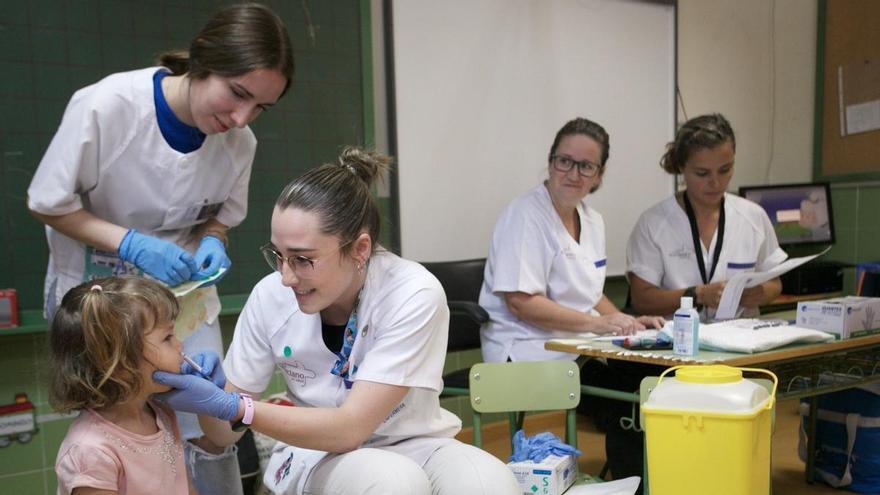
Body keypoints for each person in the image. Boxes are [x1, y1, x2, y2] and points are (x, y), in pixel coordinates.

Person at [26, 4, 294, 493]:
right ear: (201, 61)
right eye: (237, 94)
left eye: (259, 107)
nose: (241, 118)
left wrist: (213, 238)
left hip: (183, 304)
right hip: (101, 300)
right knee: (120, 423)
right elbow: (46, 201)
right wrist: (128, 242)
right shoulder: (106, 106)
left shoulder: (240, 143)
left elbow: (220, 216)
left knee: (204, 429)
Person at [151, 147, 520, 495]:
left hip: (415, 441)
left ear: (359, 249)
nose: (286, 277)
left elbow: (352, 426)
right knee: (392, 482)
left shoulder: (412, 292)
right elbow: (222, 437)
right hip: (315, 450)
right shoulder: (270, 296)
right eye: (277, 255)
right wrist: (214, 399)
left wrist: (239, 408)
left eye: (302, 259)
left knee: (491, 483)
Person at [479, 117, 664, 364]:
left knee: (637, 371)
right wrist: (596, 323)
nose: (574, 175)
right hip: (526, 346)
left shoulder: (593, 221)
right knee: (612, 380)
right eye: (565, 162)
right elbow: (520, 303)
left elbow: (590, 294)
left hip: (576, 342)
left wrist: (626, 323)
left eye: (586, 166)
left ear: (599, 175)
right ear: (551, 161)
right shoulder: (525, 215)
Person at [627, 113, 787, 321]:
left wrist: (761, 293)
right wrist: (698, 295)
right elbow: (642, 299)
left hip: (740, 341)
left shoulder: (753, 216)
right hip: (678, 343)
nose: (716, 182)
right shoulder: (653, 223)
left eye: (725, 170)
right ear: (682, 168)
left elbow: (775, 284)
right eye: (702, 173)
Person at [51, 276, 197, 494]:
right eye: (167, 337)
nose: (179, 344)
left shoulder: (161, 415)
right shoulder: (92, 452)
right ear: (120, 363)